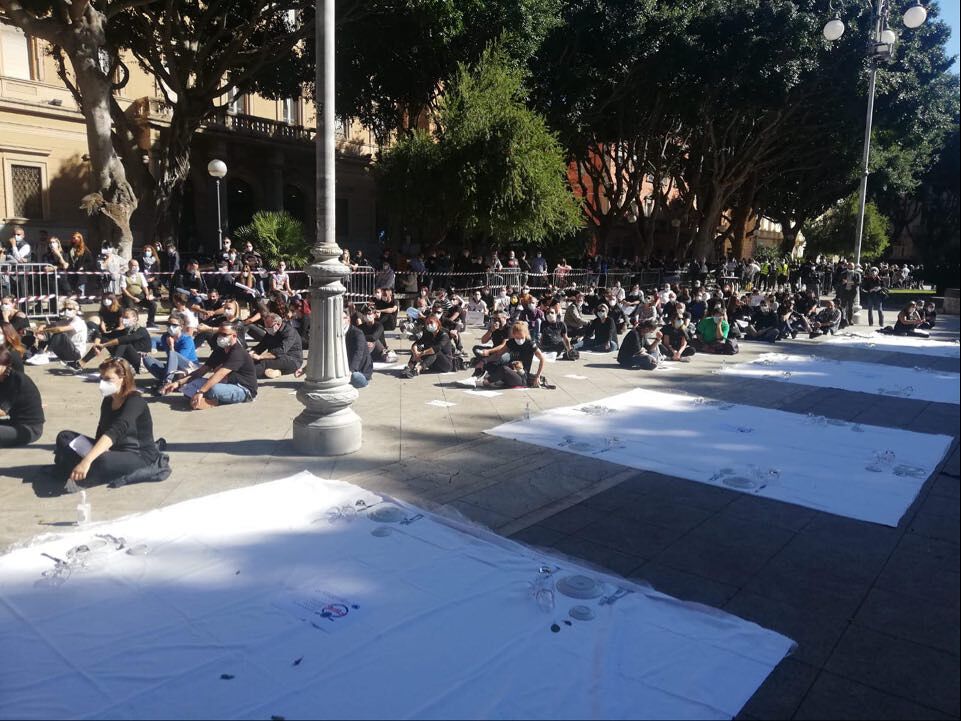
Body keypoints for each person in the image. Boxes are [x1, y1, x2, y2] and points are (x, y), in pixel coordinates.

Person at [54, 358, 170, 490]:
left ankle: (83, 468)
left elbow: (115, 431)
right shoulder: (108, 400)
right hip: (113, 450)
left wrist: (87, 460)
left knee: (101, 460)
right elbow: (102, 429)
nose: (102, 383)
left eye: (108, 379)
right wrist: (96, 451)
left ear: (123, 378)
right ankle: (85, 468)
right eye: (101, 378)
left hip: (138, 455)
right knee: (65, 437)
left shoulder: (135, 402)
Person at [161, 321, 257, 409]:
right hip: (227, 383)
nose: (220, 337)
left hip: (243, 389)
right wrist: (178, 383)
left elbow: (220, 374)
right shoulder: (219, 350)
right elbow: (202, 370)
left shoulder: (237, 352)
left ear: (234, 336)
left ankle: (212, 401)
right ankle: (206, 399)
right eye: (219, 334)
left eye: (224, 334)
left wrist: (201, 391)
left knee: (213, 389)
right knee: (187, 387)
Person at [142, 312, 199, 392]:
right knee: (146, 359)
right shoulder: (165, 337)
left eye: (174, 325)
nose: (171, 327)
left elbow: (177, 359)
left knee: (173, 354)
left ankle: (167, 382)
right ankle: (171, 381)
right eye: (168, 324)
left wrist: (171, 346)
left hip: (189, 367)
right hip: (173, 369)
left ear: (181, 327)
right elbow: (154, 339)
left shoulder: (187, 340)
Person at [476, 320, 545, 387]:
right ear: (513, 335)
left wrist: (537, 376)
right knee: (487, 364)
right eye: (517, 337)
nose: (519, 339)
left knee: (504, 369)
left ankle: (486, 382)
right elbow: (498, 354)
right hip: (510, 370)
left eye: (521, 337)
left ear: (526, 335)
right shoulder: (511, 342)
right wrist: (484, 361)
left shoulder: (530, 344)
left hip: (521, 376)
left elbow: (542, 359)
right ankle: (475, 377)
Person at [0, 349, 44, 448]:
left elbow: (2, 411)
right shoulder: (2, 378)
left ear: (5, 364)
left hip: (29, 429)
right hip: (14, 422)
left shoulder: (15, 379)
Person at [28, 299, 87, 369]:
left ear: (76, 310)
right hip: (67, 349)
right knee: (50, 331)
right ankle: (40, 353)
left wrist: (45, 331)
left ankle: (45, 355)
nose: (67, 311)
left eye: (70, 309)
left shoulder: (78, 321)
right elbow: (52, 325)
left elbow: (59, 329)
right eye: (65, 308)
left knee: (59, 334)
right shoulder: (67, 320)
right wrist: (42, 327)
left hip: (76, 353)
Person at [250, 312, 303, 378]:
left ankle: (246, 375)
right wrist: (252, 352)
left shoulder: (289, 332)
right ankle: (277, 372)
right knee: (253, 360)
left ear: (278, 324)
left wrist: (260, 357)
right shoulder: (270, 332)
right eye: (266, 327)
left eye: (269, 327)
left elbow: (280, 351)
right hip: (278, 359)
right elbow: (262, 345)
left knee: (264, 362)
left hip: (293, 360)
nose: (267, 329)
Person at [401, 313, 455, 377]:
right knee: (418, 348)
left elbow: (437, 348)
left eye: (431, 322)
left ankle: (418, 369)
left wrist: (421, 353)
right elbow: (418, 343)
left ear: (437, 323)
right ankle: (410, 366)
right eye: (427, 323)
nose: (429, 325)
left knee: (434, 351)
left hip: (445, 364)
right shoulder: (428, 333)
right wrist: (415, 352)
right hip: (432, 363)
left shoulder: (444, 334)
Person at [120, 259, 158, 328]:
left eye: (137, 265)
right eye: (133, 265)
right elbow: (123, 289)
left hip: (140, 294)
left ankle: (150, 323)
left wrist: (147, 295)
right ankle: (129, 325)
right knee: (130, 309)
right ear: (129, 266)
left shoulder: (140, 275)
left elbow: (145, 286)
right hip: (129, 296)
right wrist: (133, 298)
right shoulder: (124, 275)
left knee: (153, 305)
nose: (135, 267)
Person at [344, 308, 373, 388]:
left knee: (355, 376)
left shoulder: (357, 333)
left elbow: (358, 353)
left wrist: (351, 370)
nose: (341, 321)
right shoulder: (336, 333)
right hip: (345, 367)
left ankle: (364, 382)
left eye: (344, 318)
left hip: (360, 369)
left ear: (348, 319)